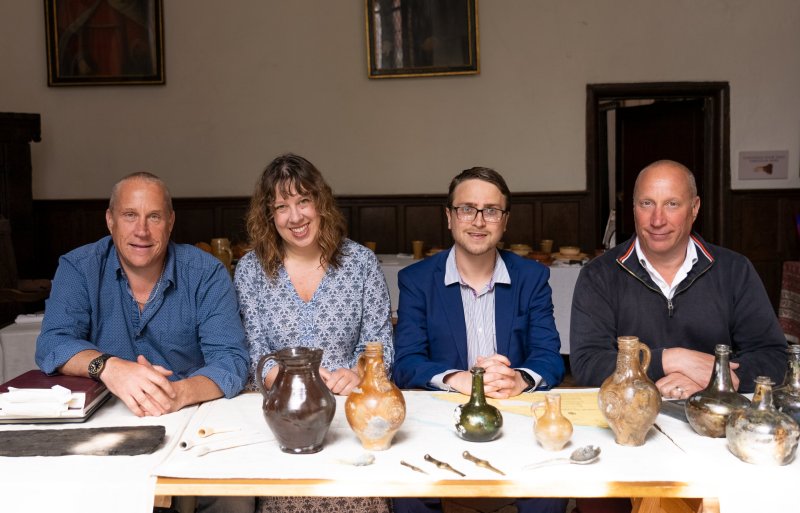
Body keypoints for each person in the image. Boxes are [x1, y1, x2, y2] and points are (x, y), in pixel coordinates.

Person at [35, 172, 253, 513]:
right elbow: (53, 342)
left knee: (234, 496)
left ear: (170, 222)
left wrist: (179, 393)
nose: (142, 230)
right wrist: (109, 366)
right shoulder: (79, 268)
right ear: (110, 220)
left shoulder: (206, 273)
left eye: (154, 216)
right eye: (130, 215)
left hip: (192, 420)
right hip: (106, 422)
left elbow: (231, 360)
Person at [392, 166, 566, 513]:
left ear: (505, 221)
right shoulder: (417, 280)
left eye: (491, 211)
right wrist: (460, 379)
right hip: (441, 417)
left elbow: (550, 357)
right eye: (466, 209)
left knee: (553, 485)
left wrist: (521, 378)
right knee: (406, 491)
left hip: (514, 414)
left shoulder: (531, 277)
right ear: (449, 217)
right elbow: (406, 363)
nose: (478, 221)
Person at [234, 153, 393, 513]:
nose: (296, 217)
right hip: (281, 413)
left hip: (350, 410)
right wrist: (287, 379)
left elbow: (380, 343)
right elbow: (252, 351)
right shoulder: (251, 270)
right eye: (282, 206)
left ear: (321, 203)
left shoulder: (360, 263)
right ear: (268, 216)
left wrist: (357, 374)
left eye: (304, 201)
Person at [570, 160, 787, 398]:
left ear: (694, 208)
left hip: (717, 418)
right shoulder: (598, 275)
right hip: (627, 418)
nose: (657, 220)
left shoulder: (735, 270)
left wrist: (714, 381)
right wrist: (669, 360)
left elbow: (772, 357)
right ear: (633, 208)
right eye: (646, 203)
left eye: (672, 204)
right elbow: (587, 364)